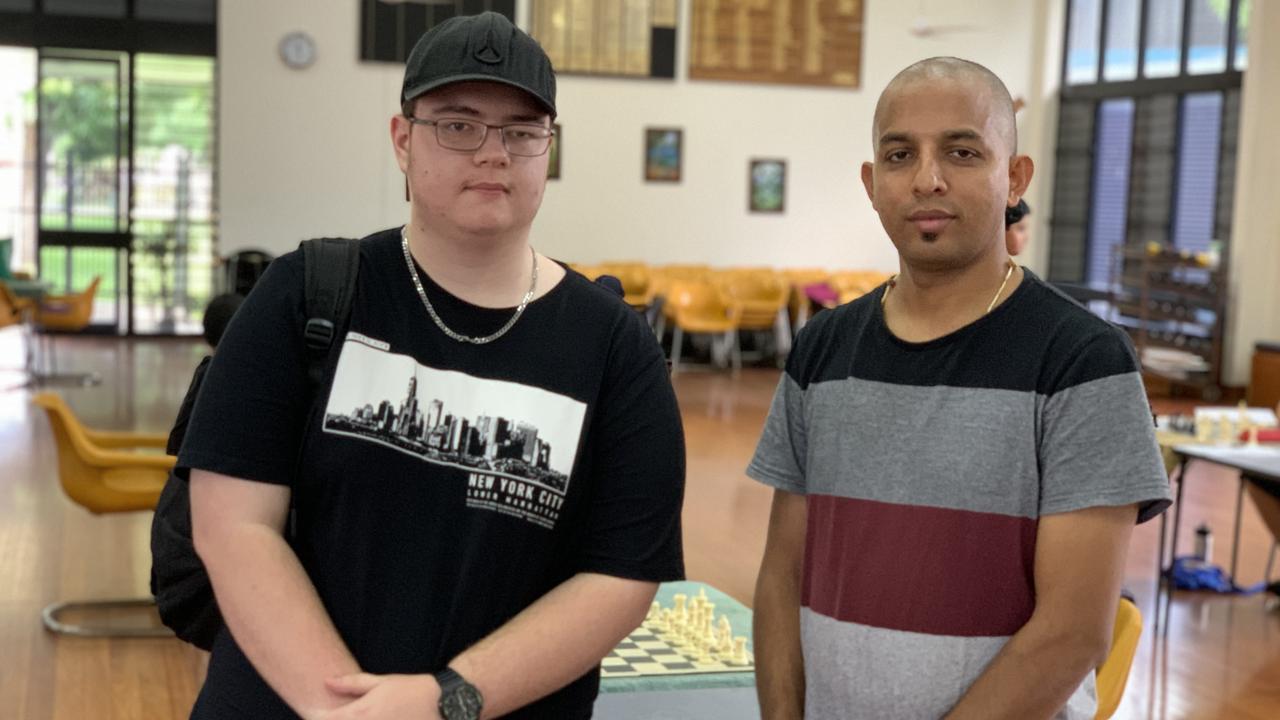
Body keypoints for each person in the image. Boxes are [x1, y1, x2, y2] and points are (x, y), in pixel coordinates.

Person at [179, 12, 685, 720]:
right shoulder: (306, 295)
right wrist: (344, 710)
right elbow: (234, 524)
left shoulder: (614, 348)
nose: (492, 152)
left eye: (520, 130)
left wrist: (446, 701)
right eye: (457, 124)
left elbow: (622, 575)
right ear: (402, 140)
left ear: (549, 148)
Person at [749, 57, 1171, 719]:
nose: (927, 179)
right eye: (899, 154)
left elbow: (1073, 631)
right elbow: (782, 575)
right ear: (871, 181)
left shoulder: (1082, 360)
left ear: (1015, 178)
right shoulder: (822, 348)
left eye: (962, 151)